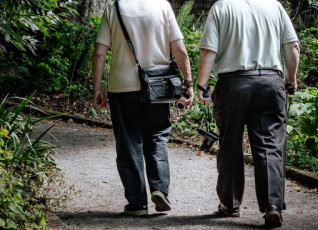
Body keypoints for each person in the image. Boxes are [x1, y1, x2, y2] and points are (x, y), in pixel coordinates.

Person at [197, 0, 300, 227]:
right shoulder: (274, 6)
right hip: (269, 83)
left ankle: (231, 204)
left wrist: (201, 86)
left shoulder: (222, 7)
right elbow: (292, 46)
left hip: (231, 85)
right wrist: (290, 80)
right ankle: (273, 205)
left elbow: (208, 50)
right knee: (270, 146)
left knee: (230, 144)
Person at [92, 0, 193, 217]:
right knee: (157, 136)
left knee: (128, 142)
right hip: (157, 87)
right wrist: (188, 83)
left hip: (122, 88)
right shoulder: (163, 6)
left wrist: (97, 88)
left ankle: (137, 203)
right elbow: (179, 49)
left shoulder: (114, 7)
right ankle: (159, 188)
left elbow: (100, 52)